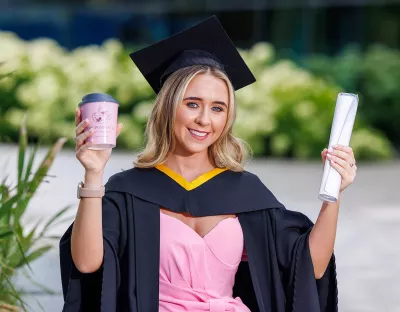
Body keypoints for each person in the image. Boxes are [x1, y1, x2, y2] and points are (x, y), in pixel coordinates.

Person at [60, 16, 357, 312]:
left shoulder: (245, 192)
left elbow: (310, 266)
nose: (204, 119)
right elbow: (87, 263)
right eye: (192, 104)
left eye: (217, 108)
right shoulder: (129, 190)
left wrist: (334, 193)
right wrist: (94, 172)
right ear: (168, 107)